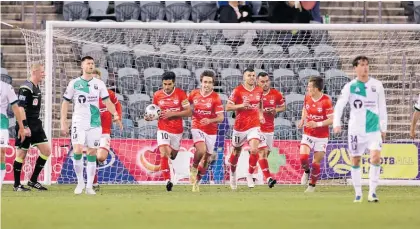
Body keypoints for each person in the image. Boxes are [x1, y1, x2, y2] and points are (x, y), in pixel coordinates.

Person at [60, 56, 120, 195]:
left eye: (92, 63)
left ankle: (89, 186)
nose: (91, 65)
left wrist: (115, 114)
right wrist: (63, 121)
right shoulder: (74, 83)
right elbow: (65, 103)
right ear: (82, 66)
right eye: (88, 63)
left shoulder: (99, 84)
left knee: (92, 152)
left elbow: (107, 101)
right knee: (78, 150)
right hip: (78, 122)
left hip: (94, 122)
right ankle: (80, 182)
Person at [333, 56, 387, 203]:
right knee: (355, 160)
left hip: (373, 128)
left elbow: (382, 107)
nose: (365, 67)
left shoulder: (377, 85)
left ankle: (372, 193)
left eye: (366, 65)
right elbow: (339, 106)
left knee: (375, 157)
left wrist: (384, 127)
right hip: (356, 130)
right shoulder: (350, 86)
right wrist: (336, 123)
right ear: (355, 68)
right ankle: (358, 193)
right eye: (362, 65)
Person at [226, 68, 276, 189]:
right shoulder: (238, 91)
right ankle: (233, 173)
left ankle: (249, 174)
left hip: (254, 126)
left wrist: (260, 115)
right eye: (249, 75)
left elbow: (260, 104)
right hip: (240, 128)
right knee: (236, 153)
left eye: (253, 75)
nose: (252, 77)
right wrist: (241, 105)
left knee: (254, 150)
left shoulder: (259, 90)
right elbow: (227, 107)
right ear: (244, 77)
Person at [144, 71, 192, 192]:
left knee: (173, 155)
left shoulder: (181, 94)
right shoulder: (157, 95)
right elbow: (153, 111)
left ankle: (170, 166)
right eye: (164, 84)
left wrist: (173, 114)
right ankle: (168, 180)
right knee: (164, 153)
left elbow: (189, 112)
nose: (166, 87)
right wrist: (148, 117)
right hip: (163, 128)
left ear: (174, 83)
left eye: (169, 84)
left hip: (177, 130)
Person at [13, 64, 52, 191]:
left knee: (46, 151)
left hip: (36, 124)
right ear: (34, 72)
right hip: (26, 123)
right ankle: (17, 185)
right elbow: (20, 108)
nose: (44, 74)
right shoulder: (26, 87)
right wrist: (24, 127)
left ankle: (33, 180)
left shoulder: (36, 87)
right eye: (42, 72)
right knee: (21, 154)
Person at [188, 70, 224, 192]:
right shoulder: (193, 94)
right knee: (201, 149)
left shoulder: (215, 98)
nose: (207, 85)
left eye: (209, 82)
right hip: (196, 126)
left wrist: (209, 120)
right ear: (201, 82)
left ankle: (196, 182)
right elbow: (185, 107)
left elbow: (221, 118)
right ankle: (193, 168)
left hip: (211, 131)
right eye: (205, 82)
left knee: (207, 160)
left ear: (213, 84)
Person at [298, 76, 333, 192]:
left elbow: (332, 120)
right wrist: (303, 119)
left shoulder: (326, 101)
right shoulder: (307, 97)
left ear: (316, 89)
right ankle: (306, 172)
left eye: (309, 87)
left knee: (316, 163)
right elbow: (305, 108)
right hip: (308, 133)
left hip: (322, 137)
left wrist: (317, 124)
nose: (307, 89)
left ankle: (311, 186)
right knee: (303, 158)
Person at [91, 68, 123, 191]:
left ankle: (93, 169)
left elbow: (117, 105)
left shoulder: (108, 94)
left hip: (104, 132)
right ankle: (94, 183)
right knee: (92, 155)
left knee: (101, 157)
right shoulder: (87, 96)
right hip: (91, 131)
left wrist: (117, 117)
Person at [257, 72, 285, 187]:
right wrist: (261, 113)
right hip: (257, 128)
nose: (265, 84)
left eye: (266, 81)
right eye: (262, 82)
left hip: (269, 129)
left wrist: (275, 111)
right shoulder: (255, 94)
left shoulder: (275, 94)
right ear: (258, 82)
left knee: (265, 155)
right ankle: (268, 179)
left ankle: (257, 174)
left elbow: (283, 106)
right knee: (262, 153)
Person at [0, 81, 26, 190]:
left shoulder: (6, 87)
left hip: (1, 122)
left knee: (1, 153)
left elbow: (16, 107)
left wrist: (21, 127)